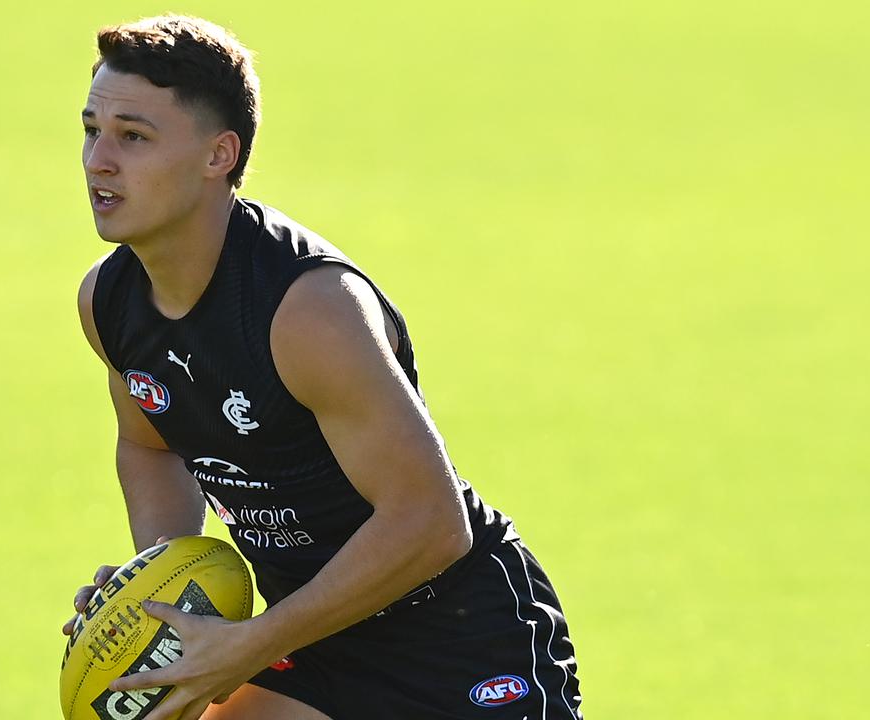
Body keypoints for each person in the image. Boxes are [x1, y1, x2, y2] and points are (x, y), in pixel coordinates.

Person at [62, 14, 583, 720]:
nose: (99, 160)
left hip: (459, 640)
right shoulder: (111, 301)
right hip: (314, 639)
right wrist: (163, 597)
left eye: (133, 137)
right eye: (92, 129)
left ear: (219, 155)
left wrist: (248, 645)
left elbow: (432, 521)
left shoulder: (308, 310)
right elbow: (149, 444)